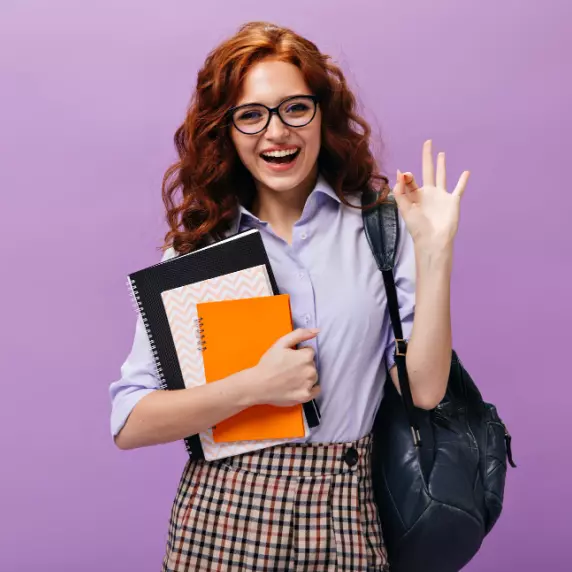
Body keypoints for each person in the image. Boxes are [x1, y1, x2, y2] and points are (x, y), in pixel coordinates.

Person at [109, 20, 470, 572]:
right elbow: (130, 420)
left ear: (323, 115)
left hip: (346, 512)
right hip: (223, 518)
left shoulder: (380, 232)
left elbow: (423, 391)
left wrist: (436, 251)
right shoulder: (197, 252)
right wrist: (252, 387)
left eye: (295, 108)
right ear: (225, 132)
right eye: (251, 115)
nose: (276, 132)